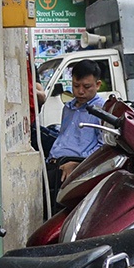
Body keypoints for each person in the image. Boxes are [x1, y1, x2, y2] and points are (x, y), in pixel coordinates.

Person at [46, 60, 107, 200]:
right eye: (76, 86)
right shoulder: (68, 108)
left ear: (97, 85)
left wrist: (78, 164)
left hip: (76, 166)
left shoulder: (102, 110)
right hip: (54, 162)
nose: (80, 91)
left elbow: (103, 147)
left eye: (86, 87)